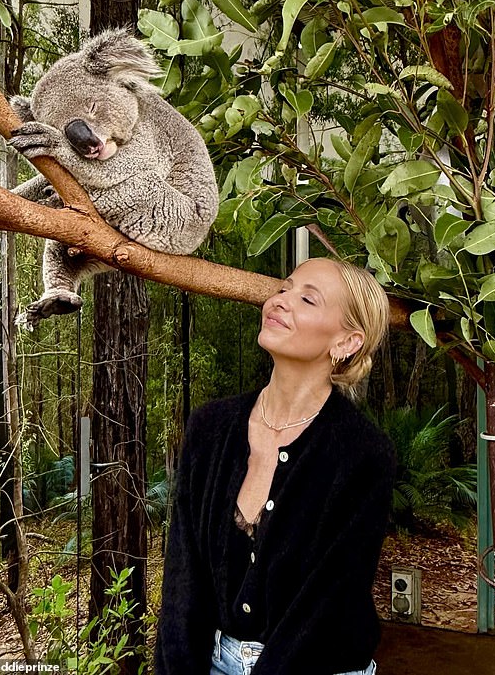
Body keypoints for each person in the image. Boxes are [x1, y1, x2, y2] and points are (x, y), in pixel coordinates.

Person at [154, 257, 397, 675]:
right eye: (284, 288)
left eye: (307, 299)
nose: (280, 301)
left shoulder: (364, 454)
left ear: (346, 342)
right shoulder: (209, 428)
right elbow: (183, 579)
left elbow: (328, 601)